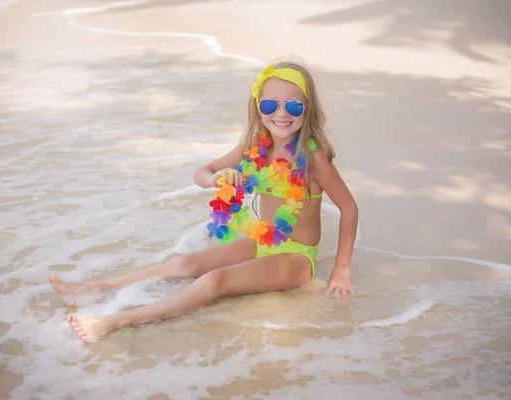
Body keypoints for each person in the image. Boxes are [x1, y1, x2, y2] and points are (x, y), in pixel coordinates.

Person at [48, 60, 359, 340]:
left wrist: (341, 268)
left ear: (308, 108)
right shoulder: (255, 149)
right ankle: (102, 287)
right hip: (264, 241)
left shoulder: (312, 159)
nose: (280, 114)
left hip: (297, 258)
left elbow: (348, 208)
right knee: (187, 263)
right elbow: (202, 172)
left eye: (292, 107)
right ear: (257, 107)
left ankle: (118, 320)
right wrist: (216, 179)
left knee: (214, 280)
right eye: (270, 104)